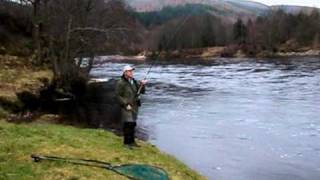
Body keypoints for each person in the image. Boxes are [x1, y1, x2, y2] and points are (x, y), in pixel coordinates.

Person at [115, 65, 147, 148]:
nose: (131, 72)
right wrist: (126, 104)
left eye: (132, 71)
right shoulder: (121, 82)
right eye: (129, 71)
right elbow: (118, 95)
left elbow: (141, 92)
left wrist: (142, 85)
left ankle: (132, 142)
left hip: (135, 106)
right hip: (127, 106)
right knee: (128, 124)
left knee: (133, 124)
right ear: (125, 72)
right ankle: (126, 143)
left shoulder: (134, 81)